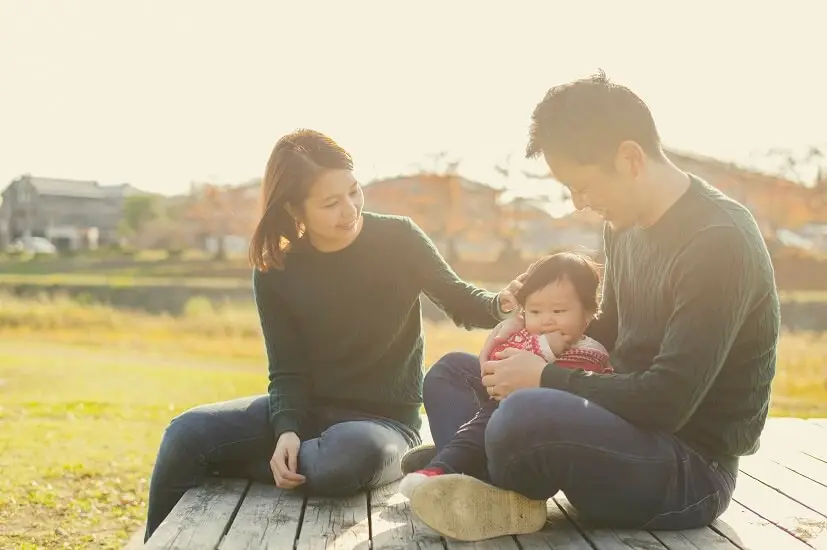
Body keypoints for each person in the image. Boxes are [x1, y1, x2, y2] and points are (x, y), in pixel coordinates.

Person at [403, 71, 780, 542]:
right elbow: (605, 334)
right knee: (451, 373)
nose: (579, 204)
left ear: (629, 158)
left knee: (526, 413)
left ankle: (476, 464)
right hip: (617, 418)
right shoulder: (623, 227)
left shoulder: (717, 242)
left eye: (583, 186)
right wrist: (528, 335)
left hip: (688, 468)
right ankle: (475, 468)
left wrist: (543, 377)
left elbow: (668, 402)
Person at [142, 129, 518, 541]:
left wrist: (501, 303)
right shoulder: (277, 269)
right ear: (294, 208)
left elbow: (459, 299)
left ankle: (273, 461)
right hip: (308, 413)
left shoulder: (398, 238)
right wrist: (286, 429)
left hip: (383, 425)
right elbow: (286, 368)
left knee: (345, 457)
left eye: (354, 192)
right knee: (185, 433)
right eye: (330, 203)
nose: (350, 210)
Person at [399, 251, 611, 510]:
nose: (546, 320)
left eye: (559, 310)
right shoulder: (526, 336)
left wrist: (543, 353)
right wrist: (514, 325)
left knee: (507, 408)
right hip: (498, 428)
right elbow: (492, 365)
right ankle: (462, 469)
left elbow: (573, 401)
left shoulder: (591, 354)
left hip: (534, 455)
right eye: (535, 311)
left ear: (589, 313)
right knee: (449, 368)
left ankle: (445, 466)